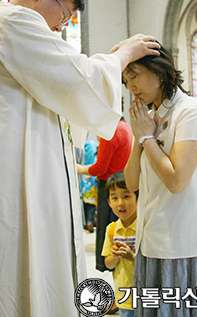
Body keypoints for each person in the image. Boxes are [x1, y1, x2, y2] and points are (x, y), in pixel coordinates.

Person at [0, 0, 160, 317]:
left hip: (32, 175)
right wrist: (124, 53)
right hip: (16, 182)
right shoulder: (9, 22)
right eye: (66, 13)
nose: (64, 26)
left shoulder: (11, 30)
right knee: (22, 271)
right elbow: (80, 77)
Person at [123, 44, 197, 316]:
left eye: (134, 74)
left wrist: (147, 137)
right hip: (152, 240)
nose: (130, 85)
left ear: (158, 69)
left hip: (185, 246)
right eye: (126, 79)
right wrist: (140, 137)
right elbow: (131, 182)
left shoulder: (189, 111)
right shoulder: (150, 118)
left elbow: (177, 180)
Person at [77, 112, 133, 272]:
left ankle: (106, 263)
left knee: (107, 228)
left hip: (109, 186)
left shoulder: (110, 131)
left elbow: (100, 167)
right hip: (124, 183)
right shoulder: (125, 127)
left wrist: (80, 168)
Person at [102, 171, 138, 317]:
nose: (120, 203)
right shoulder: (111, 230)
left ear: (137, 197)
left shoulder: (145, 227)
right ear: (109, 202)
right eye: (114, 198)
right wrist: (115, 256)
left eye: (126, 196)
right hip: (124, 297)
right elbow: (108, 264)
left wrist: (132, 257)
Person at [80, 139, 98, 232]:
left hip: (82, 174)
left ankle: (85, 221)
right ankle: (90, 221)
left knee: (84, 201)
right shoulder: (92, 144)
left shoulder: (81, 145)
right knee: (91, 201)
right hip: (91, 174)